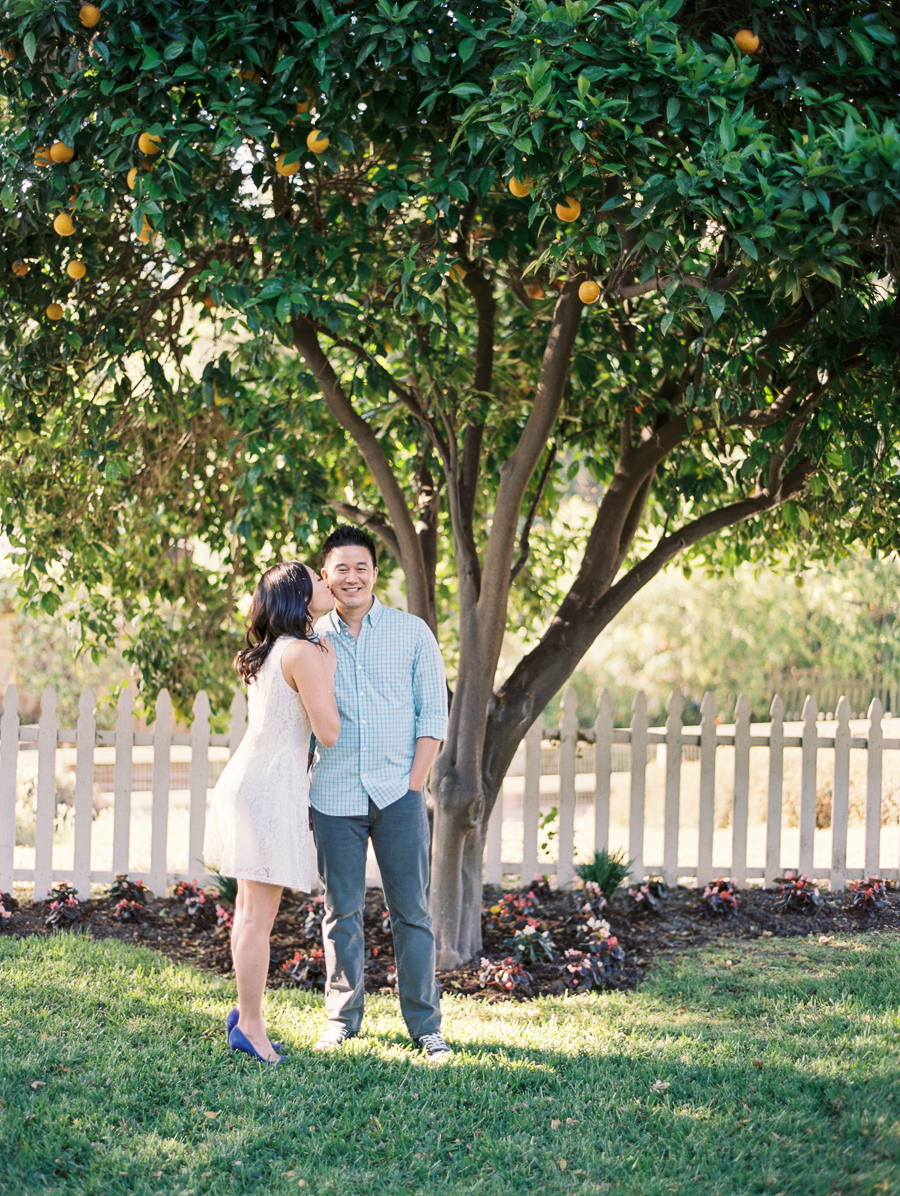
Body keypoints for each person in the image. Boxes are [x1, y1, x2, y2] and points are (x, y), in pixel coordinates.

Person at [309, 525, 451, 1062]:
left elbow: (432, 714)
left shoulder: (411, 633)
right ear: (326, 576)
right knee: (340, 912)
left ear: (375, 572)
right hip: (334, 795)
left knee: (411, 912)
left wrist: (413, 785)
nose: (351, 576)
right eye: (340, 568)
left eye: (361, 566)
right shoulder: (310, 638)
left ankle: (425, 1025)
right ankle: (342, 1021)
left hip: (399, 795)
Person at [204, 560, 339, 1064]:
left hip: (250, 783)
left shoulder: (271, 652)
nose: (328, 584)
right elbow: (328, 732)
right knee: (258, 917)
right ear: (301, 598)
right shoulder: (304, 652)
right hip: (268, 789)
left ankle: (244, 1014)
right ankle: (252, 1027)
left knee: (248, 913)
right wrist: (327, 667)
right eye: (318, 580)